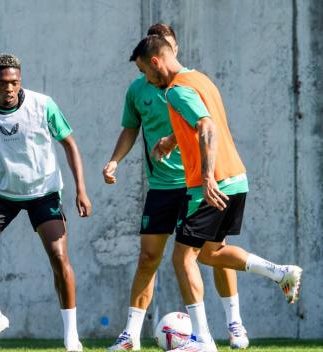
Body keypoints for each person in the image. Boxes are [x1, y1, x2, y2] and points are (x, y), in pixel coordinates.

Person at [129, 35, 303, 352]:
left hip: (213, 184)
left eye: (145, 71)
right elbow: (199, 122)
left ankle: (202, 340)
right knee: (211, 253)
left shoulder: (175, 90)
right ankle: (281, 273)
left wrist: (207, 176)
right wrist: (171, 140)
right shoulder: (199, 79)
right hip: (236, 180)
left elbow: (207, 126)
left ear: (156, 62)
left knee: (183, 260)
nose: (147, 79)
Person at [103, 24, 248, 351]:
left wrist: (209, 175)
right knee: (148, 257)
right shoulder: (138, 90)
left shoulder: (188, 85)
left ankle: (232, 323)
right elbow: (130, 129)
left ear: (169, 52)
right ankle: (131, 335)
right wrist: (115, 161)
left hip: (198, 185)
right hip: (163, 187)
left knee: (214, 252)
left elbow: (207, 126)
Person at [0, 53, 92, 352]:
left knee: (58, 256)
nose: (9, 88)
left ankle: (70, 336)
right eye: (3, 83)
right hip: (1, 194)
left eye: (14, 82)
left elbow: (70, 144)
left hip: (44, 192)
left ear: (20, 81)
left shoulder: (43, 105)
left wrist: (81, 189)